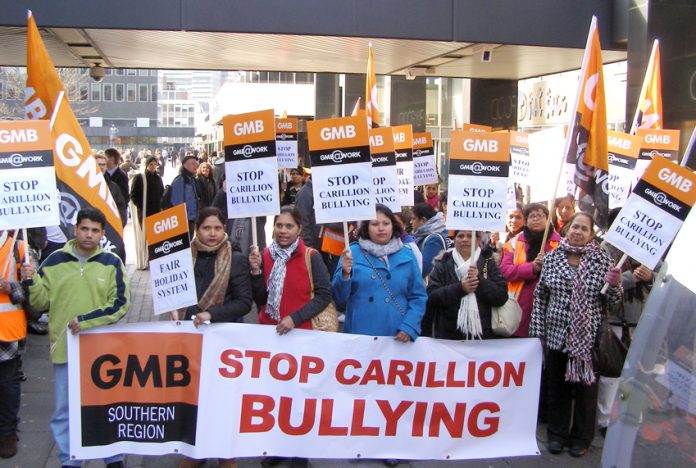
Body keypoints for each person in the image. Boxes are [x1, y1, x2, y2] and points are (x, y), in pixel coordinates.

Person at [20, 208, 130, 468]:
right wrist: (30, 282)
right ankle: (69, 459)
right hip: (65, 350)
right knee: (65, 411)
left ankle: (113, 456)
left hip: (103, 353)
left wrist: (86, 320)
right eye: (84, 229)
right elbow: (39, 304)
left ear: (102, 234)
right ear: (75, 229)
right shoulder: (54, 261)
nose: (89, 235)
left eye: (95, 230)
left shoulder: (112, 262)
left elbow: (121, 304)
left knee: (107, 406)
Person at [530, 212, 622, 458]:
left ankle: (581, 438)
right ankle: (557, 435)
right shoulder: (552, 258)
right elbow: (541, 296)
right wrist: (538, 333)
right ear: (567, 229)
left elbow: (613, 301)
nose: (578, 232)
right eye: (575, 227)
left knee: (585, 392)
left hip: (587, 340)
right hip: (557, 335)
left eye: (584, 229)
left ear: (591, 234)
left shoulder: (602, 261)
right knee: (557, 388)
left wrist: (615, 284)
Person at [175, 207, 251, 468]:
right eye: (207, 228)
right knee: (194, 398)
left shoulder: (236, 259)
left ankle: (225, 454)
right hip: (192, 338)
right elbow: (175, 292)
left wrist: (212, 314)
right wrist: (175, 308)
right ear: (197, 230)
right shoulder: (185, 257)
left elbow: (244, 303)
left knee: (223, 401)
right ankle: (195, 451)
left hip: (224, 341)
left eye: (217, 228)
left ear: (225, 230)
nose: (212, 233)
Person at [596, 208, 655, 437]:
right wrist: (631, 278)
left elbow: (659, 278)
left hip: (639, 320)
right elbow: (602, 286)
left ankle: (631, 413)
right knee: (611, 373)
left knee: (635, 372)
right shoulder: (604, 250)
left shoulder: (648, 253)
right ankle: (604, 419)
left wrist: (649, 277)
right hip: (614, 320)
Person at [332, 204, 427, 343]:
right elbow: (339, 299)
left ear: (393, 226)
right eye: (375, 224)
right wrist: (345, 275)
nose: (381, 228)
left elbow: (418, 296)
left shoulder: (407, 254)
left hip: (397, 334)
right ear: (366, 227)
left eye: (386, 223)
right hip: (360, 333)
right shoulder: (352, 254)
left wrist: (409, 326)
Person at [249, 205, 332, 333]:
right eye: (279, 225)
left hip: (300, 332)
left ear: (299, 229)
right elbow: (260, 300)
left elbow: (324, 296)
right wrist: (256, 273)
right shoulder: (264, 255)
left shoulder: (311, 257)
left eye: (289, 226)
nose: (283, 230)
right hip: (268, 331)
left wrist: (295, 318)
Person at [423, 230, 507, 340]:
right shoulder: (443, 263)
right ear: (454, 240)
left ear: (478, 240)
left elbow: (501, 296)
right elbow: (431, 297)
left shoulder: (488, 262)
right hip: (449, 337)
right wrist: (460, 288)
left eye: (470, 236)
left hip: (484, 336)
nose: (465, 239)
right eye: (460, 236)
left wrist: (479, 281)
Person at [499, 203, 560, 337]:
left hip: (551, 303)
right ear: (526, 221)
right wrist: (531, 268)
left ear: (548, 218)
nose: (536, 219)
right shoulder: (514, 243)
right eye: (532, 216)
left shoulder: (560, 244)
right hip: (520, 304)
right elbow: (504, 270)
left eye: (540, 215)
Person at [0, 232, 28, 458]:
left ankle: (7, 433)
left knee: (7, 384)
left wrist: (11, 287)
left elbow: (33, 294)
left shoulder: (19, 248)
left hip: (6, 332)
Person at [410, 203, 449, 278]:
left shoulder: (434, 240)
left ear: (423, 220)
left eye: (413, 218)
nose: (410, 222)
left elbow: (424, 268)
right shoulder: (418, 235)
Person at [171, 153, 200, 238]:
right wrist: (181, 220)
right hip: (183, 220)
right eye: (193, 163)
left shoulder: (192, 179)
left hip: (191, 218)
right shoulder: (180, 180)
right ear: (185, 165)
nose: (196, 166)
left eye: (196, 163)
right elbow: (176, 202)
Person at [129, 155, 164, 225]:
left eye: (155, 164)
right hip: (144, 211)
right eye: (151, 164)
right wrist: (141, 205)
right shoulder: (139, 178)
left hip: (156, 210)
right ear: (147, 165)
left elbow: (161, 193)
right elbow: (133, 194)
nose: (153, 166)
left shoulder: (158, 178)